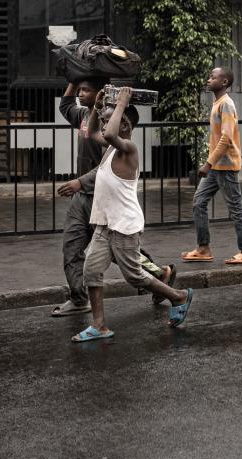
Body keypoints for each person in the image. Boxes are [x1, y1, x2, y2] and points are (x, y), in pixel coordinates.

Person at [72, 88, 194, 341]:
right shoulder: (111, 149)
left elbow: (108, 133)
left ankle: (179, 296)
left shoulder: (129, 148)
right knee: (91, 269)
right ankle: (99, 325)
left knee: (134, 275)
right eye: (105, 119)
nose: (106, 124)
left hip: (124, 225)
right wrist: (95, 108)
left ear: (125, 123)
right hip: (105, 224)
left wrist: (122, 103)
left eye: (110, 119)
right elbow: (94, 133)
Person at [54, 79, 171, 317]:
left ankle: (168, 284)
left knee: (127, 261)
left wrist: (119, 104)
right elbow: (77, 114)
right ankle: (81, 302)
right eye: (80, 89)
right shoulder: (88, 117)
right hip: (90, 201)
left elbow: (106, 144)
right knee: (76, 251)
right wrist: (77, 82)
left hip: (113, 210)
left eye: (86, 89)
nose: (80, 93)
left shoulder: (125, 145)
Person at [183, 67, 242, 265]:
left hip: (227, 166)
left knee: (236, 209)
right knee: (199, 202)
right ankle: (203, 248)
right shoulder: (218, 103)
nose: (208, 79)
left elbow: (226, 138)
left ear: (224, 82)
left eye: (213, 77)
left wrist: (208, 163)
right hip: (217, 167)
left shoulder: (227, 104)